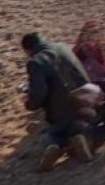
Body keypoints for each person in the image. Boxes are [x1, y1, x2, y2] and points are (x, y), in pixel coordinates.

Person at [21, 31, 95, 171]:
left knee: (53, 130)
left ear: (27, 49)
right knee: (79, 125)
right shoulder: (63, 47)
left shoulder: (35, 62)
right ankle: (78, 140)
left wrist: (29, 103)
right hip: (87, 99)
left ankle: (58, 144)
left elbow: (39, 93)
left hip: (63, 112)